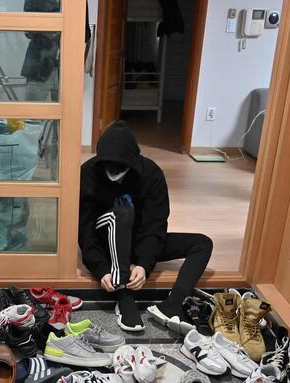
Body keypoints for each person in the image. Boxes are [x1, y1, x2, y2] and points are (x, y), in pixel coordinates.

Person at [79, 121, 213, 332]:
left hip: (139, 240)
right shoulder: (88, 173)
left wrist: (144, 265)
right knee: (122, 212)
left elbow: (156, 225)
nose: (113, 171)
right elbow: (84, 229)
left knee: (203, 243)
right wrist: (101, 268)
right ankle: (124, 297)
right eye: (107, 164)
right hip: (106, 239)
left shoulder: (151, 174)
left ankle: (172, 304)